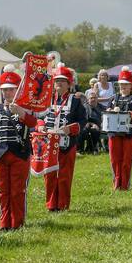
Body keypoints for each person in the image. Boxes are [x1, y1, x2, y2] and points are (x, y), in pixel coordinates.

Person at [29, 66, 86, 212]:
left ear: (69, 84)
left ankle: (63, 205)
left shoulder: (76, 101)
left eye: (62, 81)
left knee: (65, 176)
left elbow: (82, 121)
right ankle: (51, 205)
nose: (59, 84)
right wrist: (40, 125)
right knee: (49, 175)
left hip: (67, 144)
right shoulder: (45, 100)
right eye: (57, 81)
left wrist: (70, 129)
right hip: (48, 145)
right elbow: (38, 117)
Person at [0, 70, 31, 230]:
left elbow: (34, 124)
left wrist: (22, 112)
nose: (8, 92)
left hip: (20, 155)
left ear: (17, 90)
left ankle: (17, 223)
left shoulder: (24, 108)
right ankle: (4, 223)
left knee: (17, 191)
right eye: (5, 89)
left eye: (11, 89)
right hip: (0, 156)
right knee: (3, 191)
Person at [107, 68, 132, 190]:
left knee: (127, 160)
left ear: (131, 85)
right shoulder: (113, 98)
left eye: (126, 84)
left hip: (129, 133)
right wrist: (109, 111)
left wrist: (131, 114)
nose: (123, 86)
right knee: (114, 159)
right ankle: (116, 184)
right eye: (121, 84)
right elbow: (107, 112)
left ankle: (125, 185)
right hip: (113, 132)